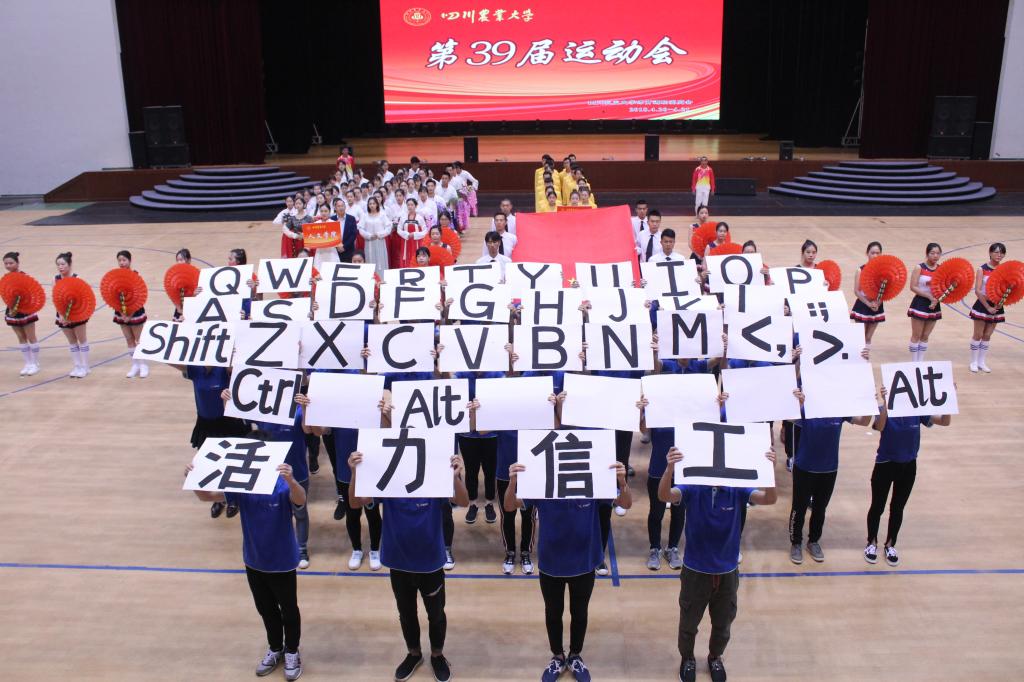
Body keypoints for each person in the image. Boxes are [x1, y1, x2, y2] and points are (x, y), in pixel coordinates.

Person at [505, 457, 632, 682]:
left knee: (579, 612)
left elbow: (626, 503)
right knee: (553, 612)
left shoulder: (592, 481)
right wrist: (512, 482)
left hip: (584, 562)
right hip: (551, 563)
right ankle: (557, 656)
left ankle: (575, 655)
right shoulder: (543, 481)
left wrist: (622, 482)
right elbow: (509, 505)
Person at [347, 450, 469, 682]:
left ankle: (437, 655)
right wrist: (355, 474)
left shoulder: (434, 478)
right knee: (406, 613)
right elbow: (355, 502)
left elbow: (463, 501)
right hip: (398, 562)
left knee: (436, 614)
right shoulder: (388, 478)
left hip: (430, 563)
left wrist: (454, 477)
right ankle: (413, 653)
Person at [658, 447, 778, 682]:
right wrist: (669, 468)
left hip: (727, 571)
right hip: (695, 570)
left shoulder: (737, 488)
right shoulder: (693, 486)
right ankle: (687, 658)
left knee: (723, 623)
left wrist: (770, 471)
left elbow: (769, 499)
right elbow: (664, 496)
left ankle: (715, 657)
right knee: (689, 622)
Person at [186, 461, 306, 681]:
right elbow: (207, 496)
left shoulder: (282, 485)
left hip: (282, 562)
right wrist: (193, 479)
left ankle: (292, 651)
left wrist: (291, 480)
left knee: (289, 609)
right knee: (266, 609)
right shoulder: (241, 485)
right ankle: (275, 647)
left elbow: (300, 499)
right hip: (254, 560)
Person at [865, 385, 952, 566]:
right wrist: (886, 403)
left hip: (908, 466)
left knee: (898, 508)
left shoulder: (917, 409)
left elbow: (944, 421)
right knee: (878, 506)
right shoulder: (882, 409)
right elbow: (879, 426)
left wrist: (949, 400)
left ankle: (890, 544)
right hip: (885, 464)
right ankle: (871, 542)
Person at [789, 386, 873, 564]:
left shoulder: (839, 409)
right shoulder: (806, 407)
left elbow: (864, 421)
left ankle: (813, 541)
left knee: (820, 508)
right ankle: (796, 542)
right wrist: (796, 401)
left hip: (829, 469)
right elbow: (787, 415)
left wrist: (869, 403)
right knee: (799, 507)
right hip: (804, 468)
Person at [969, 242, 1007, 373]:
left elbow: (1006, 289)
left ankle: (981, 361)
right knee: (978, 334)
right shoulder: (982, 269)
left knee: (987, 335)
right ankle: (973, 361)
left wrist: (1000, 302)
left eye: (1002, 252)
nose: (999, 255)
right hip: (982, 305)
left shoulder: (1004, 270)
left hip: (997, 305)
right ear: (990, 253)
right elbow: (978, 290)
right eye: (996, 252)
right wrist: (987, 306)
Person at [111, 250, 149, 378]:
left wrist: (130, 314)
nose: (122, 263)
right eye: (119, 260)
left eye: (124, 260)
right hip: (121, 312)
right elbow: (113, 296)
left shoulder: (135, 275)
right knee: (129, 339)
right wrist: (122, 313)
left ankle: (143, 365)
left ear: (130, 261)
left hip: (135, 311)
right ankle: (135, 364)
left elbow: (139, 295)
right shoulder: (115, 277)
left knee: (138, 340)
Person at [54, 252, 91, 378]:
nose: (60, 267)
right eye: (58, 264)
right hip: (62, 314)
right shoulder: (56, 279)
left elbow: (83, 298)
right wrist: (61, 315)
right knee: (72, 342)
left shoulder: (77, 278)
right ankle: (77, 366)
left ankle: (85, 367)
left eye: (63, 264)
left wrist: (72, 313)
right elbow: (56, 298)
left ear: (69, 265)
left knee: (82, 340)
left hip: (77, 314)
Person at [4, 252, 41, 376]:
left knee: (31, 337)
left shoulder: (25, 277)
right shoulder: (6, 278)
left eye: (11, 263)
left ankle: (35, 364)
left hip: (26, 309)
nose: (8, 265)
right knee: (21, 337)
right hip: (12, 310)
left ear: (17, 263)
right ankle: (28, 363)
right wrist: (12, 307)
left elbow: (32, 293)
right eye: (6, 263)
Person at [907, 242, 943, 361]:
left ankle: (921, 361)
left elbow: (944, 287)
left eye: (938, 253)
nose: (935, 256)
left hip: (934, 304)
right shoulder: (920, 268)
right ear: (927, 254)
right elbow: (913, 286)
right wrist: (928, 296)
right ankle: (914, 362)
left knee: (925, 335)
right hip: (920, 303)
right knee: (916, 335)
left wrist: (937, 299)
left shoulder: (941, 269)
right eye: (932, 253)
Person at [850, 241, 886, 347]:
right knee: (860, 337)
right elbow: (856, 291)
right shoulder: (860, 270)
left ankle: (865, 356)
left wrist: (878, 303)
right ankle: (859, 357)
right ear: (867, 253)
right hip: (863, 305)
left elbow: (885, 290)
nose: (875, 255)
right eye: (872, 253)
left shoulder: (884, 271)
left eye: (878, 253)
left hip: (876, 306)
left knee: (868, 337)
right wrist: (868, 303)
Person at [358, 196, 391, 276]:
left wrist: (379, 234)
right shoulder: (365, 216)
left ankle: (382, 278)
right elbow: (360, 229)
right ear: (368, 205)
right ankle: (371, 279)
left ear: (377, 204)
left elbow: (388, 228)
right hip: (369, 242)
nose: (372, 205)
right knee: (370, 259)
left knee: (381, 260)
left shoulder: (382, 215)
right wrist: (369, 236)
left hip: (380, 241)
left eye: (373, 203)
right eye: (370, 204)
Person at [397, 198, 428, 269]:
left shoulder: (420, 218)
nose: (410, 206)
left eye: (412, 205)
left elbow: (425, 230)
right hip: (406, 242)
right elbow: (399, 229)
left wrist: (415, 235)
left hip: (417, 242)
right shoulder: (403, 217)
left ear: (416, 206)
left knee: (417, 255)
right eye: (408, 205)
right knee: (406, 256)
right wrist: (406, 234)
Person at [172, 248, 192, 322]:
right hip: (181, 307)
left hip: (192, 306)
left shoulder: (194, 275)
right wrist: (180, 309)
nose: (179, 262)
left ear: (189, 260)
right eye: (177, 260)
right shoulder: (176, 276)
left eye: (181, 260)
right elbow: (176, 295)